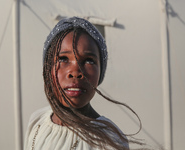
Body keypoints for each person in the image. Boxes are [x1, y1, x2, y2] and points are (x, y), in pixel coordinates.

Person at [24, 17, 142, 150]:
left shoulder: (108, 140)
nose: (75, 71)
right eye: (63, 59)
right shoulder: (38, 120)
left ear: (100, 73)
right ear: (47, 68)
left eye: (89, 61)